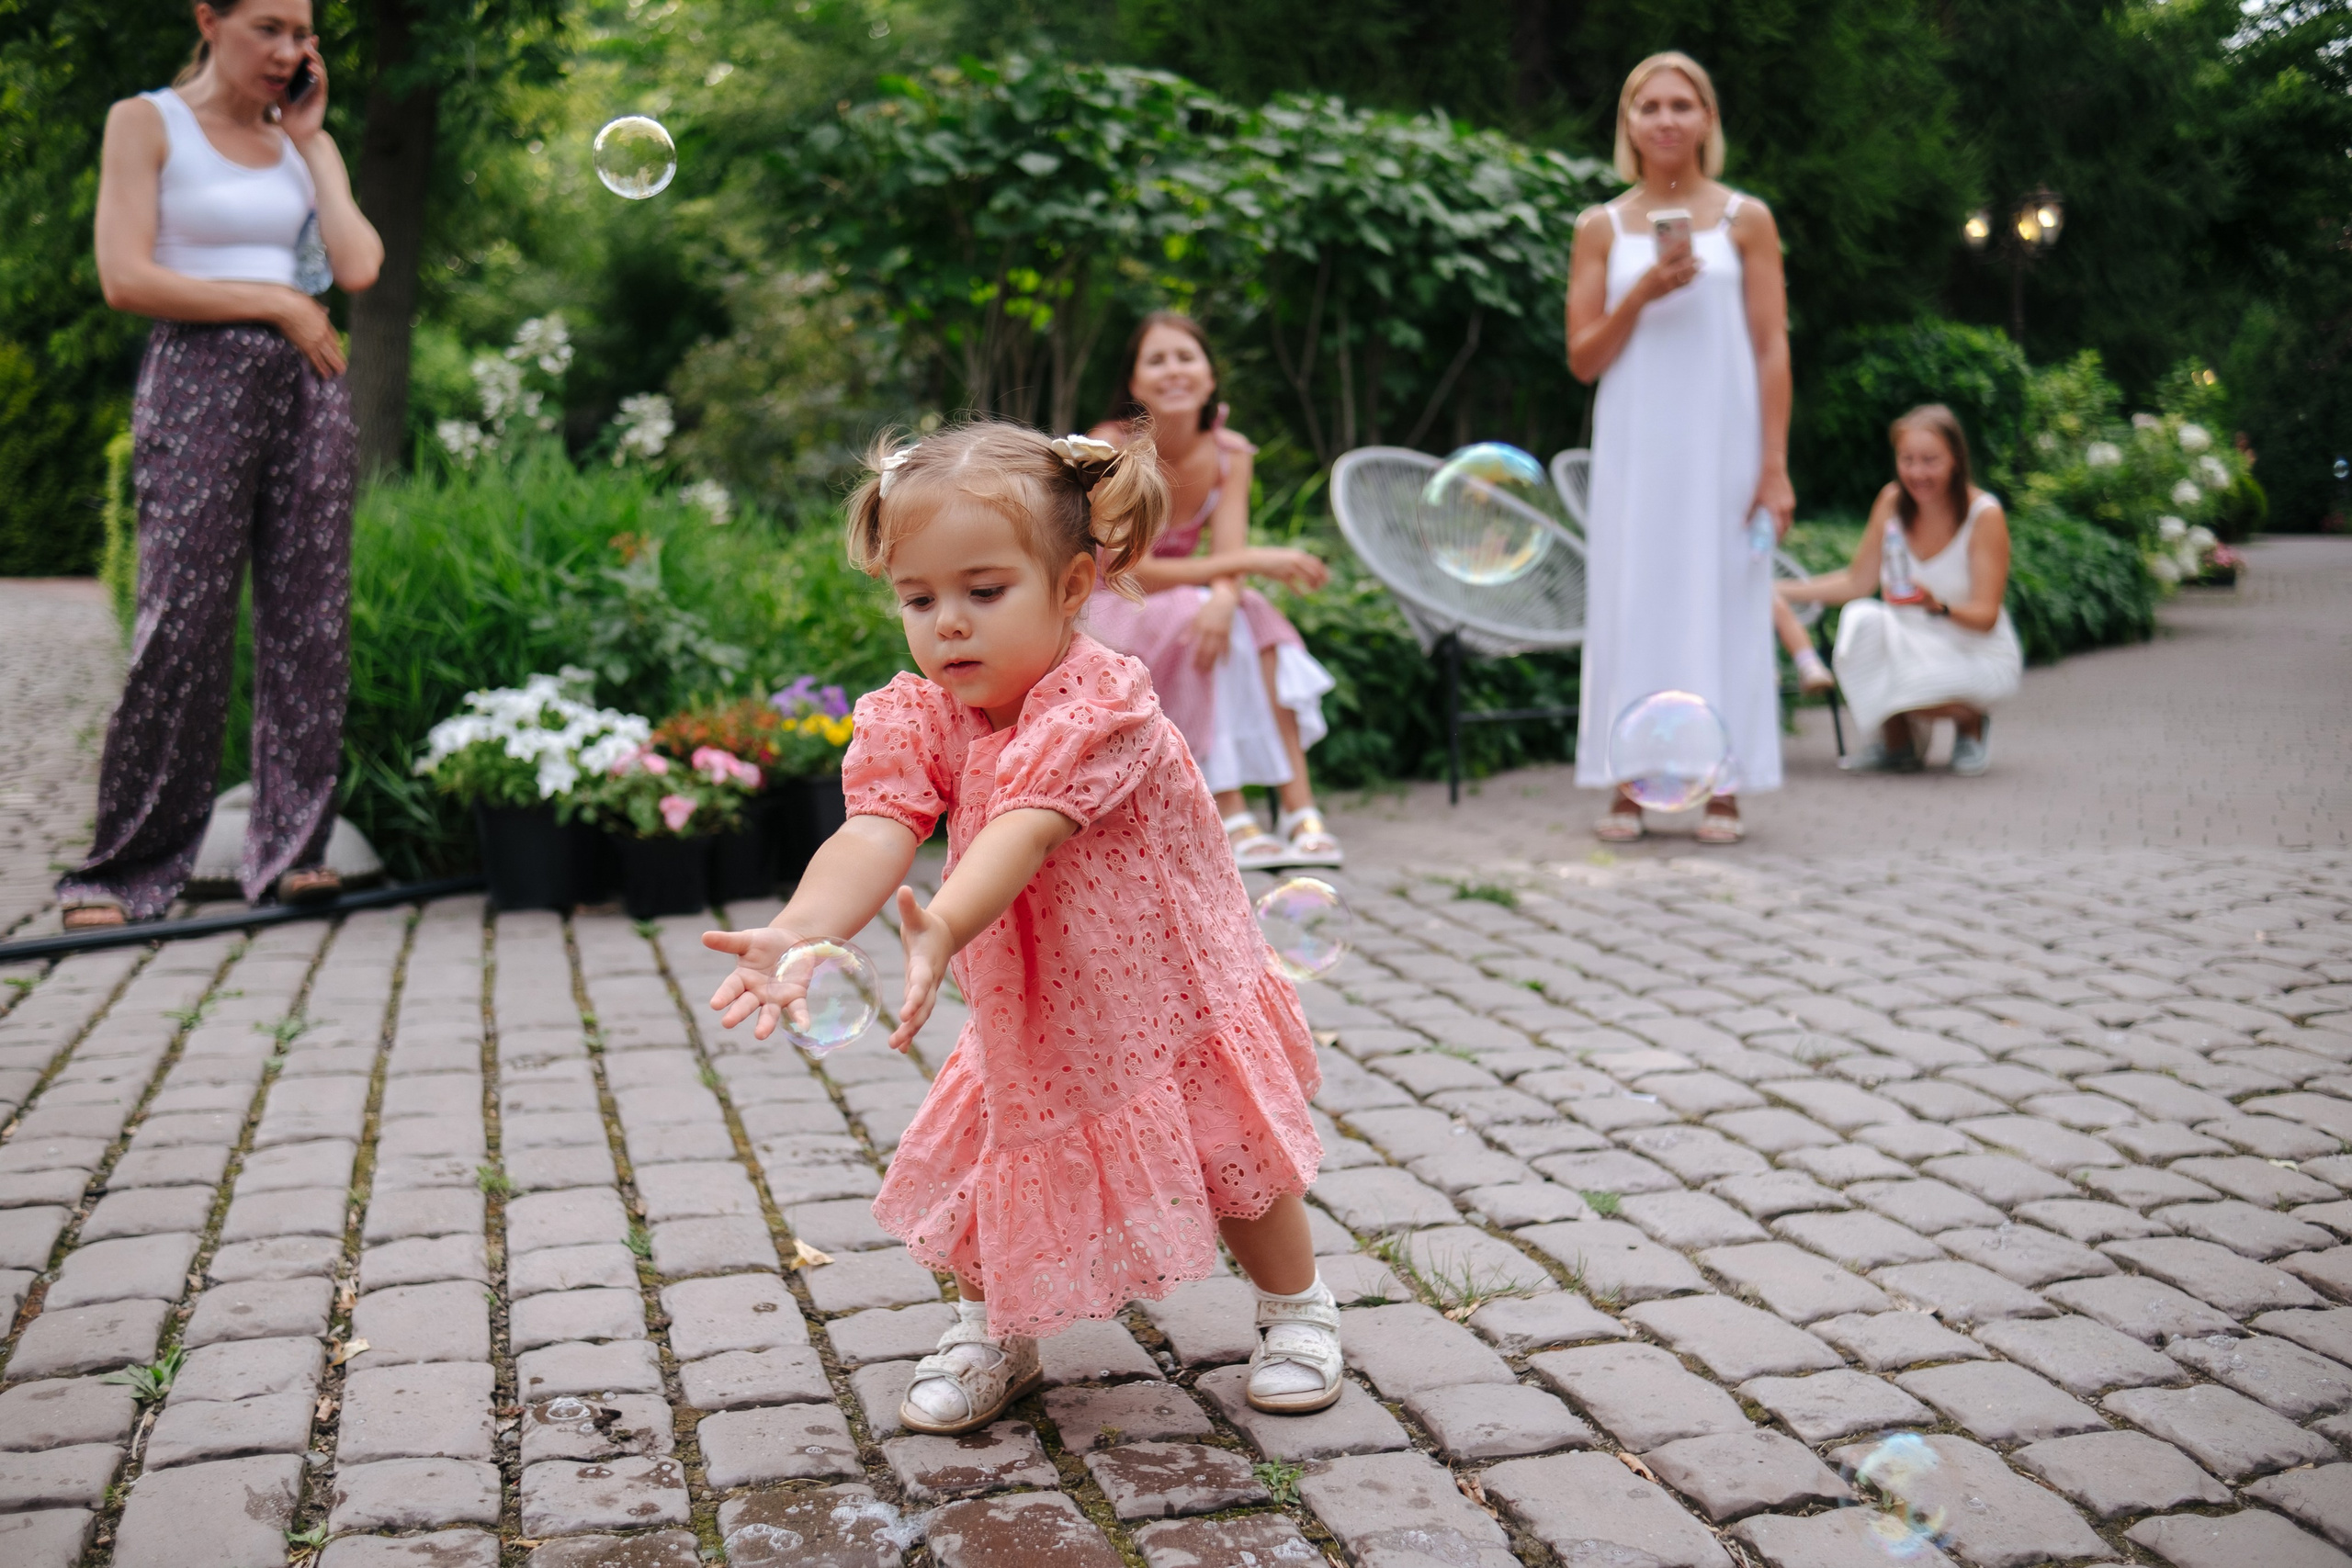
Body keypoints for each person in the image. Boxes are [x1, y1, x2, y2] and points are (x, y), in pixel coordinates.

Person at [700, 423, 1339, 1434]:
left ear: (1074, 586)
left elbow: (1024, 833)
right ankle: (995, 1329)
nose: (948, 624)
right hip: (1037, 1003)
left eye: (983, 592)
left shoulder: (1101, 703)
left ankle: (1297, 1310)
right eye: (920, 599)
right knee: (992, 1156)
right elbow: (874, 830)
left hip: (1163, 984)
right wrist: (796, 927)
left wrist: (943, 922)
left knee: (1230, 1152)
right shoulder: (923, 715)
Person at [59, 0, 381, 928]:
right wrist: (274, 303)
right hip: (198, 380)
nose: (289, 52)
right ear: (209, 18)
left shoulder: (296, 141)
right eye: (267, 29)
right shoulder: (147, 122)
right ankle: (124, 870)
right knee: (182, 622)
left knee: (309, 624)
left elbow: (356, 264)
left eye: (301, 34)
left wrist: (314, 143)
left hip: (306, 392)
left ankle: (294, 853)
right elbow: (125, 276)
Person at [1566, 51, 1792, 845]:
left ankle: (1722, 789)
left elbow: (1771, 348)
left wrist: (1774, 467)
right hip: (1636, 452)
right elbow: (1584, 357)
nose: (1666, 119)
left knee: (1725, 600)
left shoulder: (1747, 220)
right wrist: (1644, 292)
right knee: (1635, 604)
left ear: (1707, 119)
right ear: (1628, 123)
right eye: (1649, 106)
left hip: (1724, 449)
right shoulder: (1600, 226)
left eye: (1682, 104)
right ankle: (1630, 786)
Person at [1086, 313, 1344, 869]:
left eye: (1186, 358)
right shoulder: (1109, 449)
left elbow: (1226, 553)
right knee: (1196, 611)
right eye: (1156, 360)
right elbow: (1130, 569)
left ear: (1209, 377)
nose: (1173, 371)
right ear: (1133, 384)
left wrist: (1229, 595)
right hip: (1111, 601)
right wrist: (1244, 568)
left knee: (1254, 616)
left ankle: (1300, 808)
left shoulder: (1232, 452)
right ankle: (1228, 808)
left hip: (1190, 595)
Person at [1777, 405, 2022, 774]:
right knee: (1861, 619)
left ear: (1955, 459)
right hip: (1908, 639)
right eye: (1907, 460)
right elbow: (1857, 582)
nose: (1917, 473)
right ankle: (1899, 742)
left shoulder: (1984, 514)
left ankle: (1970, 723)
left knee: (1901, 680)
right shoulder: (1891, 501)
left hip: (1971, 648)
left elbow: (1986, 617)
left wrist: (1937, 605)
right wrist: (1779, 589)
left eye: (1930, 461)